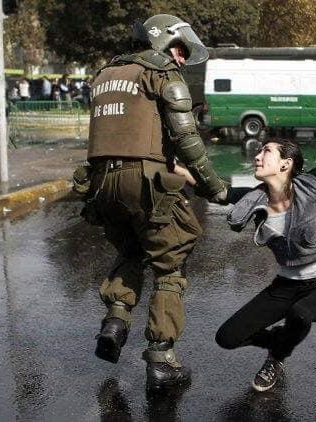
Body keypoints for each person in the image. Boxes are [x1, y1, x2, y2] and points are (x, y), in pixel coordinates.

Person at [84, 14, 227, 389]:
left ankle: (116, 319)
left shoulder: (105, 75)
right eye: (179, 49)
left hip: (102, 183)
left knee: (131, 249)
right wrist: (214, 187)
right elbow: (187, 140)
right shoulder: (161, 73)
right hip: (145, 182)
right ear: (161, 39)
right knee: (170, 262)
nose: (181, 58)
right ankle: (162, 360)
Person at [215, 138, 316, 392]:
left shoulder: (313, 183)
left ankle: (277, 358)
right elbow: (214, 189)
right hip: (285, 286)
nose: (257, 156)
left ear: (286, 164)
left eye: (266, 151)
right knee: (227, 338)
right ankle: (278, 341)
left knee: (300, 313)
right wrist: (180, 168)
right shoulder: (254, 198)